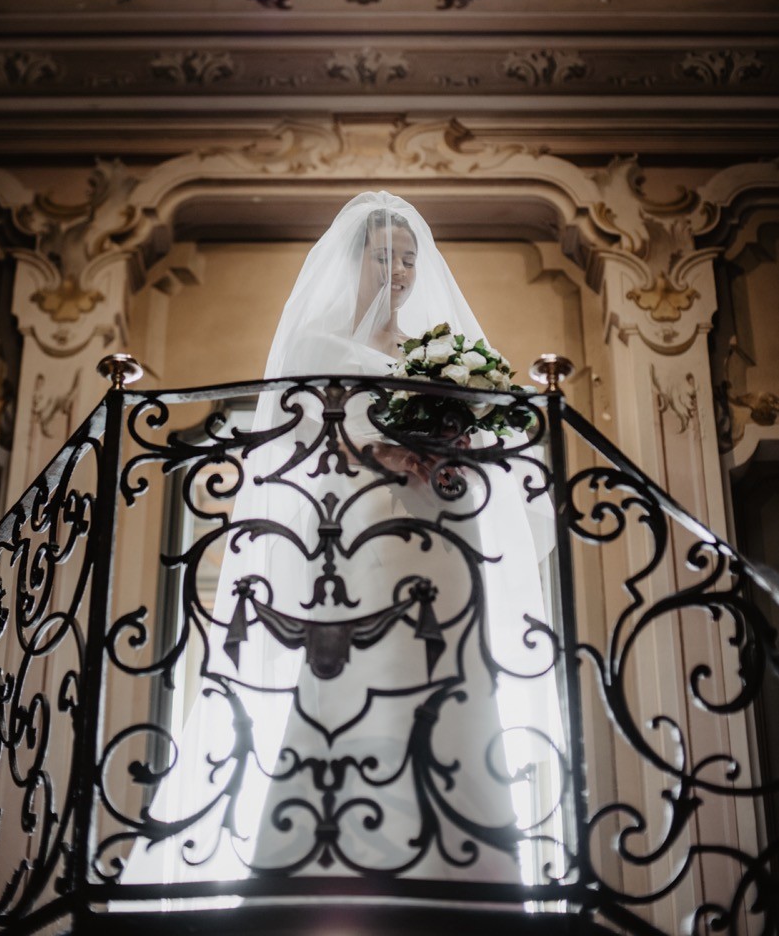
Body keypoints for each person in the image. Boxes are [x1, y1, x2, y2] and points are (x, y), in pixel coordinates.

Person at [122, 192, 558, 894]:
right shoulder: (317, 346)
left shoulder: (434, 352)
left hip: (433, 533)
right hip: (349, 532)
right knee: (354, 666)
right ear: (352, 262)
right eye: (384, 256)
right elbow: (303, 437)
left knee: (441, 670)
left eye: (410, 258)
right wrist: (381, 453)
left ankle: (466, 852)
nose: (400, 271)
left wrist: (447, 447)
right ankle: (328, 847)